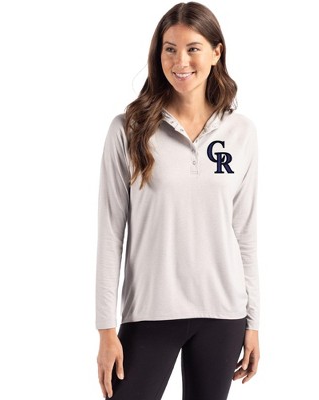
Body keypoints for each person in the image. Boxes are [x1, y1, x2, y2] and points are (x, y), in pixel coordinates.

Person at [95, 2, 260, 399]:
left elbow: (245, 233)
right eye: (169, 49)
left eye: (193, 48)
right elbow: (111, 234)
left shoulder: (241, 133)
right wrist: (105, 329)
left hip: (223, 315)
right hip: (150, 312)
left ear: (216, 53)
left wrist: (253, 322)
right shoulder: (129, 129)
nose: (180, 61)